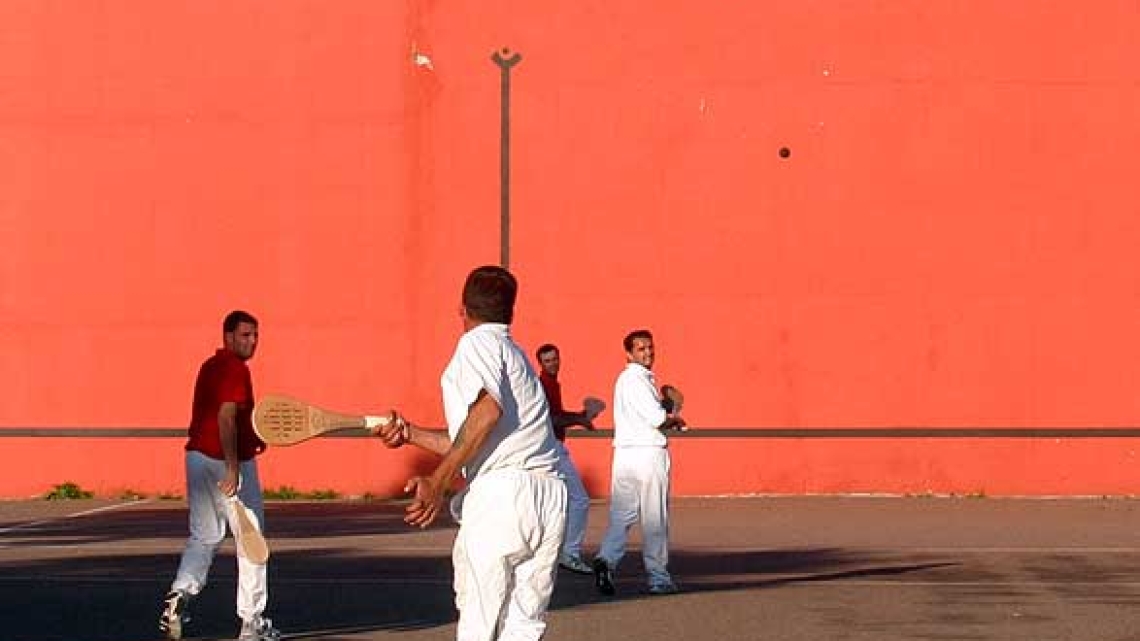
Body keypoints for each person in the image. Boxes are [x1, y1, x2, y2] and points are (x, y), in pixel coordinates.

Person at [377, 265, 567, 641]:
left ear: (462, 310)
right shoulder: (518, 358)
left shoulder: (477, 343)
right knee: (524, 626)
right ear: (510, 313)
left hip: (502, 499)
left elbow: (486, 411)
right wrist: (410, 433)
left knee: (479, 621)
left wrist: (438, 479)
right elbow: (476, 437)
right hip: (549, 498)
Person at [159, 310, 280, 641]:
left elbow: (228, 418)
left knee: (205, 537)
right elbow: (226, 417)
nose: (252, 342)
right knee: (252, 540)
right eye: (245, 335)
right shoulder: (234, 368)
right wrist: (232, 466)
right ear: (228, 336)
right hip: (226, 463)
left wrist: (253, 440)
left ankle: (179, 595)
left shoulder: (210, 366)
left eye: (255, 335)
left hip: (197, 459)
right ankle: (252, 622)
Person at [593, 329, 686, 597]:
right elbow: (658, 419)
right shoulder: (637, 380)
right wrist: (675, 417)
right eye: (641, 349)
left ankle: (606, 559)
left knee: (621, 516)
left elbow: (650, 414)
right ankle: (658, 578)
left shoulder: (626, 381)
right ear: (629, 353)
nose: (647, 353)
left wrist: (668, 410)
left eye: (650, 348)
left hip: (624, 457)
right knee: (655, 517)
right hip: (647, 456)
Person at [534, 343, 600, 574]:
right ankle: (569, 553)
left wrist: (579, 417)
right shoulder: (545, 385)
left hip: (548, 448)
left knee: (552, 502)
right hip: (552, 449)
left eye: (555, 359)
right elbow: (552, 420)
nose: (553, 364)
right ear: (540, 364)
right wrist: (580, 419)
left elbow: (557, 416)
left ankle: (547, 552)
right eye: (547, 361)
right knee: (579, 500)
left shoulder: (551, 384)